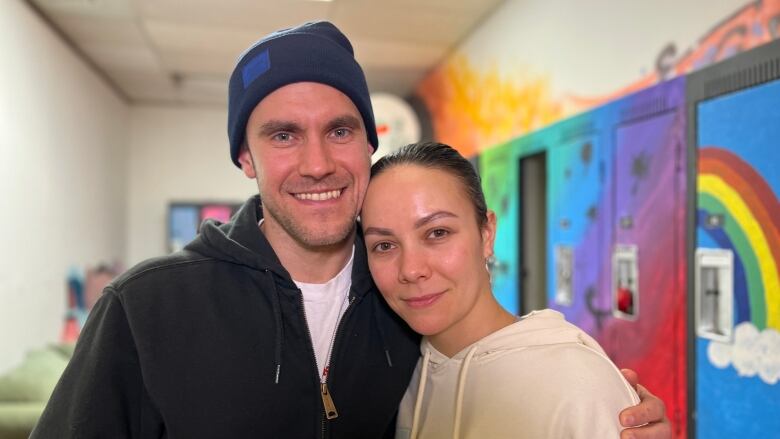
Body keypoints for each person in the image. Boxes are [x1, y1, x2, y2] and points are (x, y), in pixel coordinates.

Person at [32, 21, 669, 438]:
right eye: (283, 135)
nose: (317, 163)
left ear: (369, 141)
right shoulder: (147, 310)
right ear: (245, 158)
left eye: (340, 130)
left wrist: (599, 399)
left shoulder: (404, 305)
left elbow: (513, 367)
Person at [360, 142, 656, 438]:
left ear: (486, 234)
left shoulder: (577, 382)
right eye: (384, 246)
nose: (411, 270)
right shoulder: (395, 376)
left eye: (438, 233)